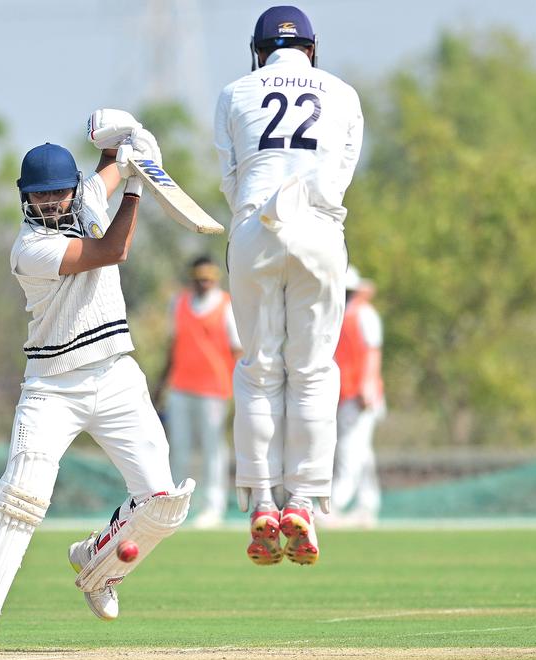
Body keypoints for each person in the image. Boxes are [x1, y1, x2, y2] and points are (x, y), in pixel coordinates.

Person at [0, 110, 194, 647]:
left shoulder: (87, 198)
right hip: (52, 386)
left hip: (115, 374)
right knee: (24, 494)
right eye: (42, 197)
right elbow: (112, 251)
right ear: (25, 197)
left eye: (60, 193)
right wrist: (136, 185)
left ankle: (98, 567)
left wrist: (123, 144)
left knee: (164, 502)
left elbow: (105, 166)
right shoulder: (30, 249)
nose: (52, 204)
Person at [213, 5, 364, 566]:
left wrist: (259, 217)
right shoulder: (344, 94)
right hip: (320, 232)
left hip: (254, 227)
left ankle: (259, 500)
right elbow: (341, 174)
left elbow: (231, 177)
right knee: (313, 371)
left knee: (259, 368)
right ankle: (301, 499)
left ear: (258, 50)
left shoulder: (234, 91)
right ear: (312, 49)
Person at [152, 255, 242, 527]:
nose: (204, 283)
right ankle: (178, 506)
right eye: (199, 278)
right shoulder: (178, 303)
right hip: (181, 385)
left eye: (208, 278)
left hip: (214, 388)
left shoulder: (226, 305)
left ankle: (213, 506)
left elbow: (237, 350)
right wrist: (161, 384)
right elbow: (173, 343)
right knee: (178, 447)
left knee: (213, 449)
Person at [331, 265, 383, 526]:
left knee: (349, 451)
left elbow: (373, 352)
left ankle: (333, 504)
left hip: (359, 394)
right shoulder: (340, 315)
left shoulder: (363, 314)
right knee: (362, 453)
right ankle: (367, 506)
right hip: (346, 392)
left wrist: (367, 387)